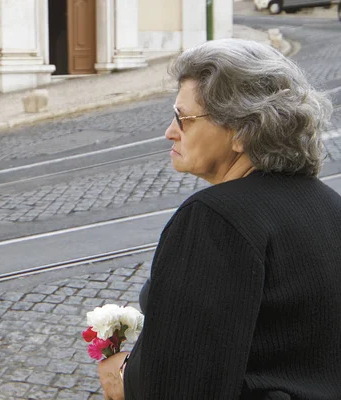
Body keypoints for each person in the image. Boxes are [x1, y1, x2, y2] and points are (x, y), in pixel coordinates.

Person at [97, 38, 341, 399]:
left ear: (243, 131)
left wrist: (125, 380)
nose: (170, 131)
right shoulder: (330, 206)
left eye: (184, 118)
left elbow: (180, 386)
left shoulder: (214, 220)